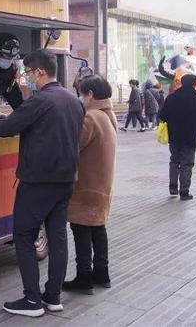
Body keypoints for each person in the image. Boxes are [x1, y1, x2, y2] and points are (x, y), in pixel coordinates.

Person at [0, 49, 84, 317]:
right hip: (66, 179)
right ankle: (53, 297)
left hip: (38, 181)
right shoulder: (74, 100)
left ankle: (32, 300)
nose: (27, 79)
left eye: (28, 74)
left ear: (40, 72)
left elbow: (6, 128)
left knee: (23, 236)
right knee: (57, 236)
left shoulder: (40, 101)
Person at [62, 75, 117, 295]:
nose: (81, 98)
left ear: (91, 94)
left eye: (82, 93)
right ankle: (102, 274)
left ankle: (84, 277)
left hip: (86, 185)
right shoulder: (108, 115)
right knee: (98, 229)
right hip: (102, 184)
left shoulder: (92, 117)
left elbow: (73, 146)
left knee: (81, 229)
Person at [159, 74, 196, 201]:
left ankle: (173, 186)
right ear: (194, 84)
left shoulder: (172, 98)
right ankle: (184, 191)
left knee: (174, 160)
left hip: (174, 136)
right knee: (187, 164)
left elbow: (162, 114)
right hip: (190, 137)